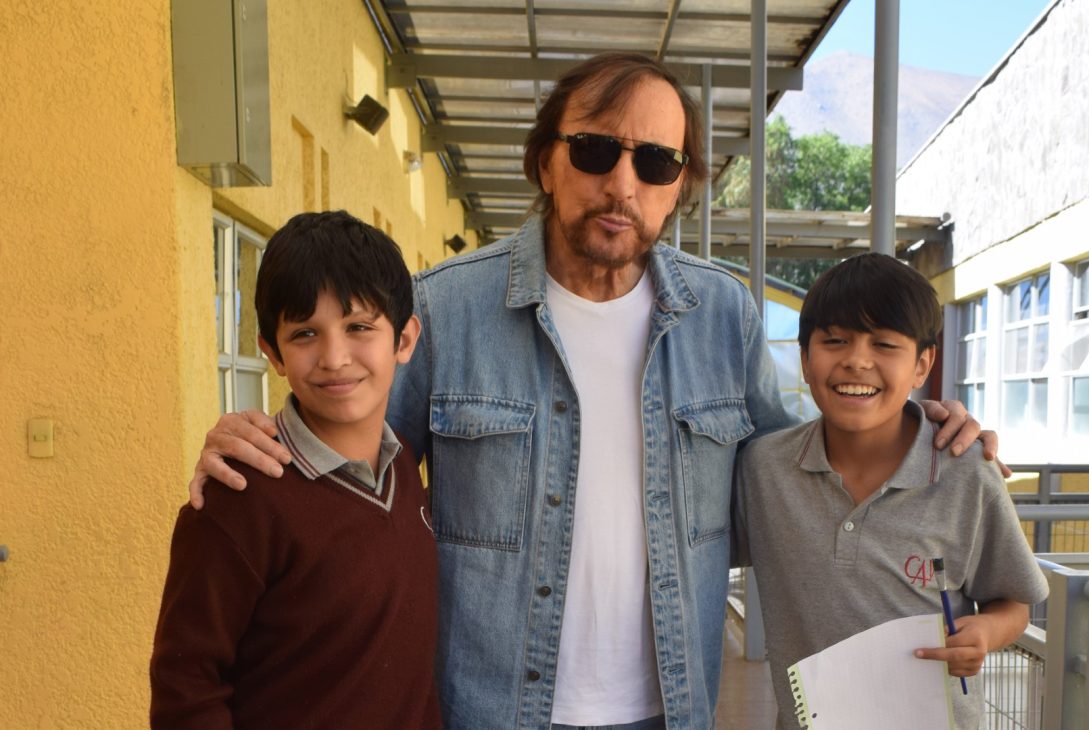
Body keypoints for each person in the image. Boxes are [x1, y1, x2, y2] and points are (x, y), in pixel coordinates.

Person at [187, 54, 994, 729]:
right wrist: (257, 444)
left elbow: (801, 475)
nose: (623, 184)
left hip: (666, 707)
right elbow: (352, 461)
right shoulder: (444, 308)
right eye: (595, 151)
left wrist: (919, 427)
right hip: (488, 709)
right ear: (545, 160)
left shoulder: (722, 316)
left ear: (679, 185)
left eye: (655, 162)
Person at [150, 211, 440, 728]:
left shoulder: (404, 472)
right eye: (305, 333)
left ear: (404, 340)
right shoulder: (238, 498)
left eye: (358, 327)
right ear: (272, 353)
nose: (334, 357)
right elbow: (185, 689)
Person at [733, 253, 1047, 729]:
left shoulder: (967, 476)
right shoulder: (763, 470)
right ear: (804, 358)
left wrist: (983, 631)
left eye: (884, 344)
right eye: (834, 340)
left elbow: (1015, 603)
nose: (857, 361)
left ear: (923, 364)